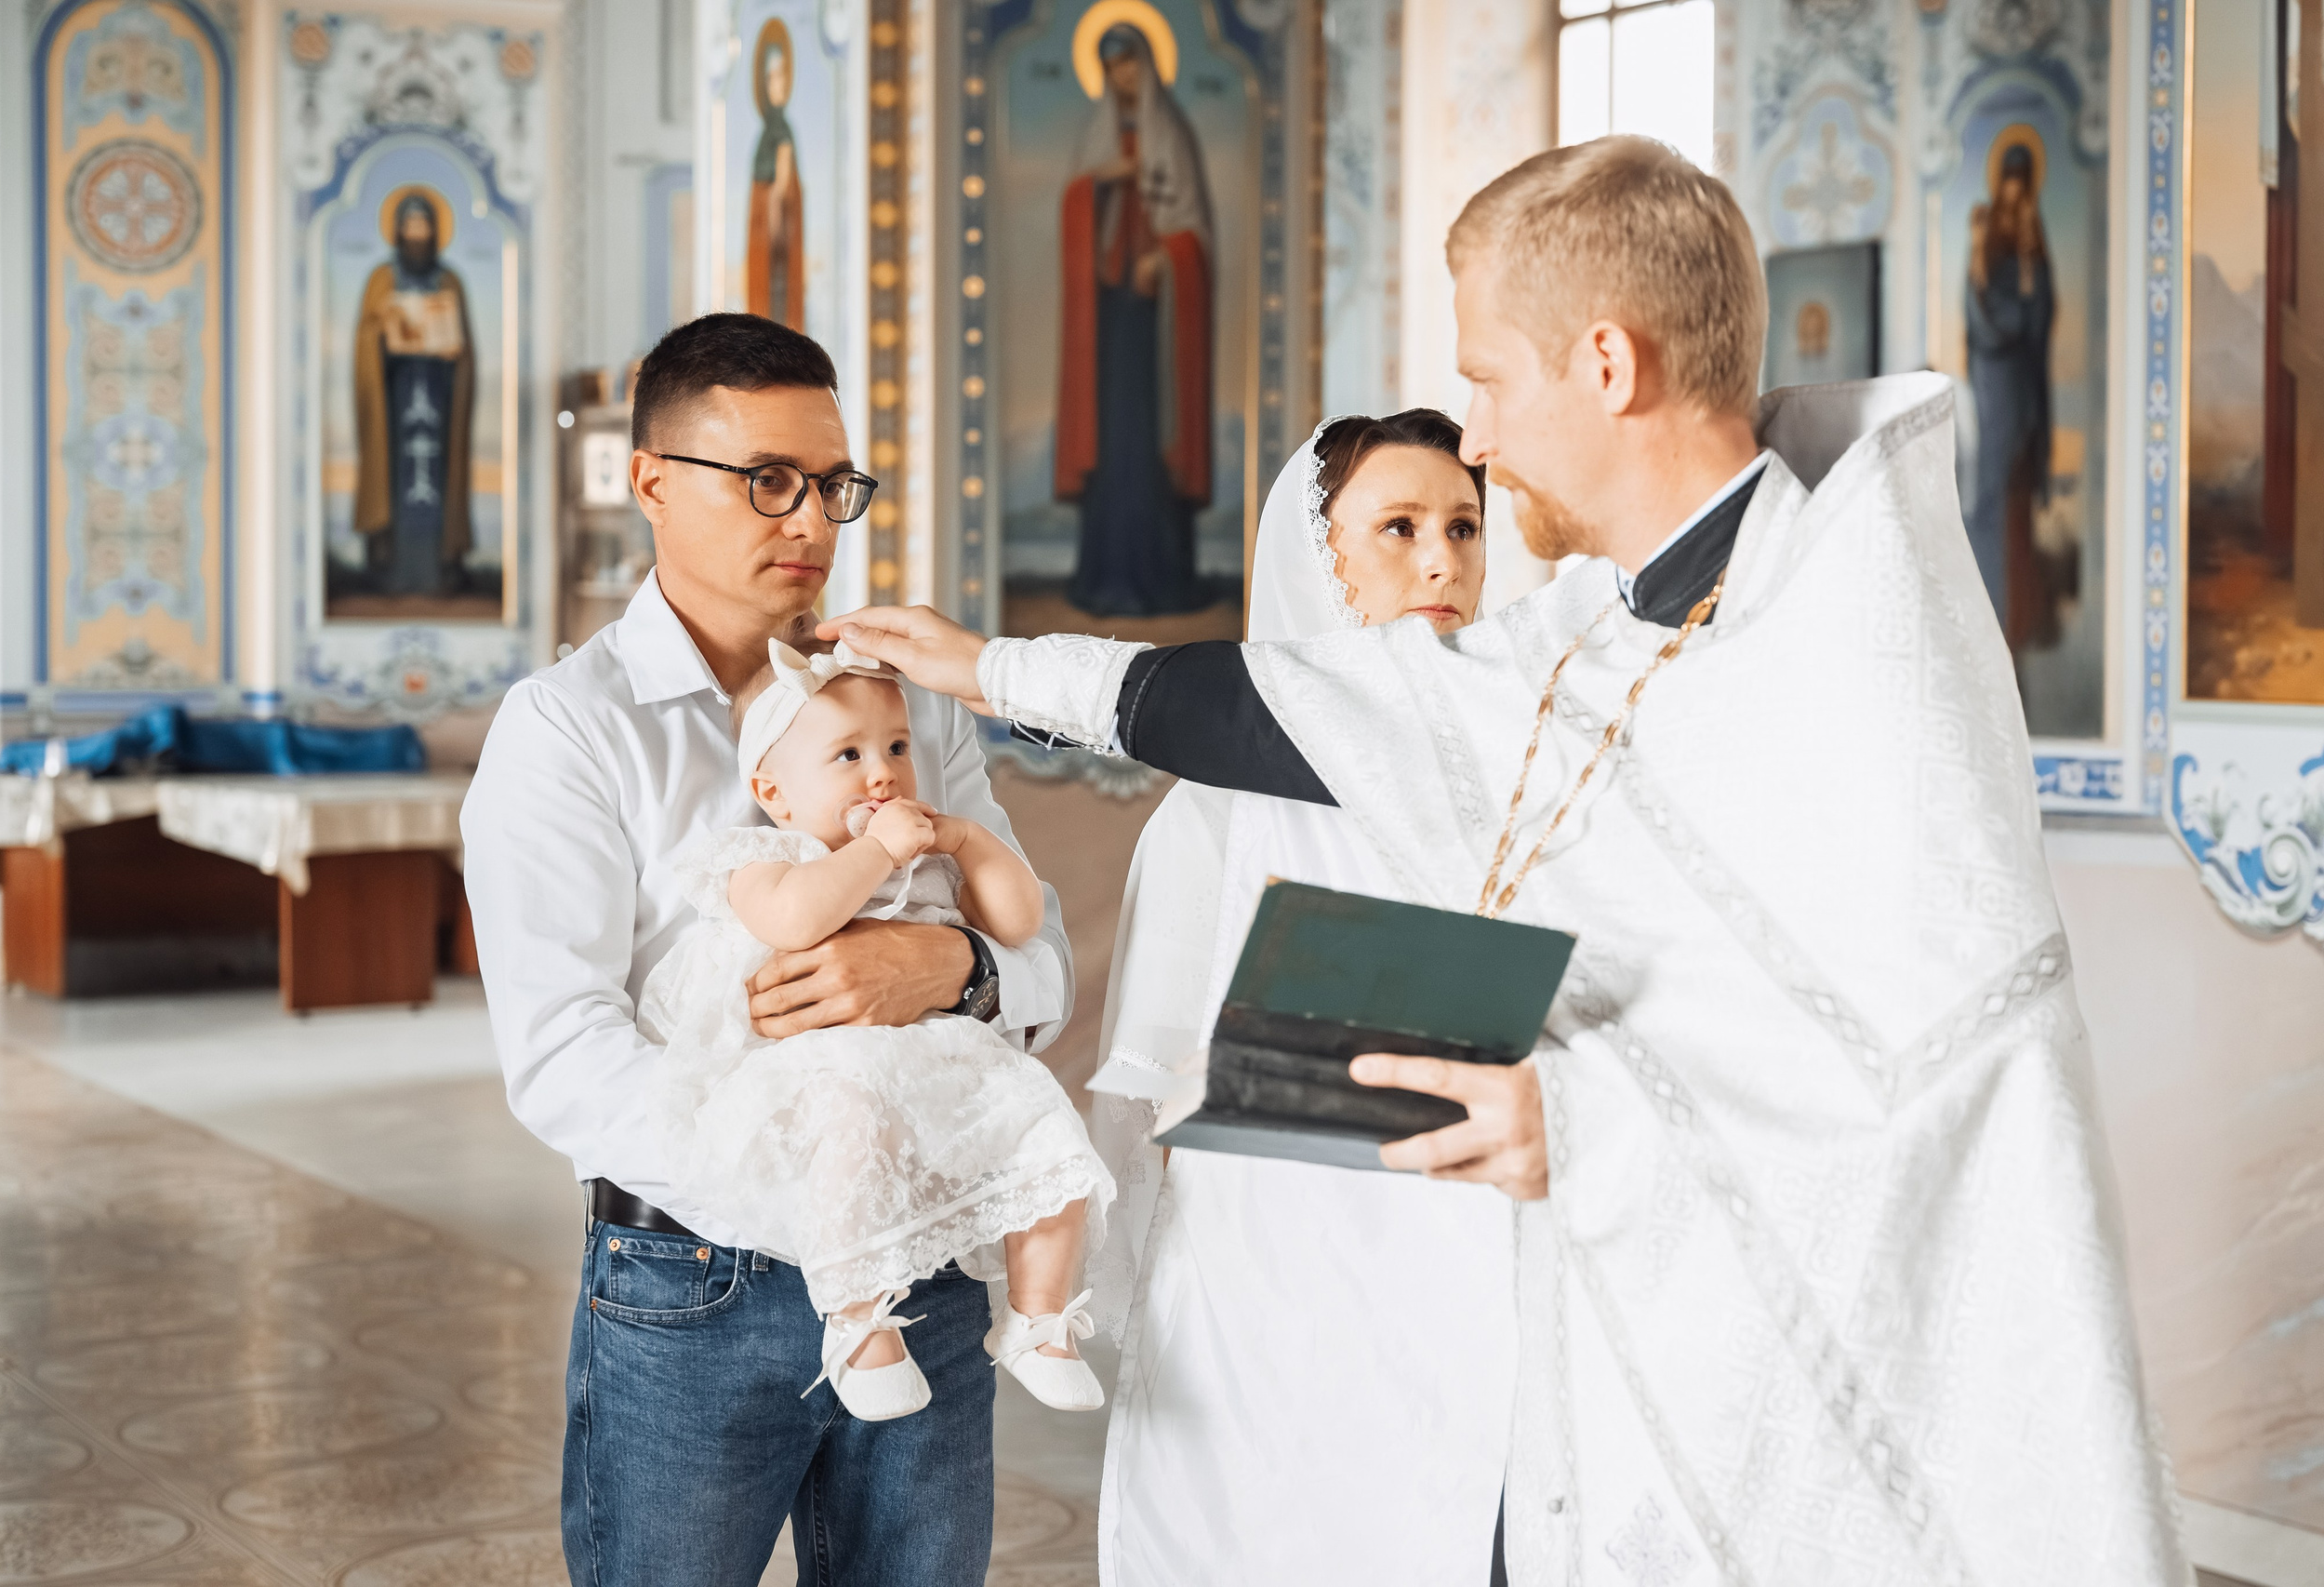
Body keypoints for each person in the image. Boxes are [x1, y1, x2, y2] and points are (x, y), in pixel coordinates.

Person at [830, 137, 2189, 1584]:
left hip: (1819, 1396)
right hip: (1596, 1338)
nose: (1474, 432)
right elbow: (1333, 706)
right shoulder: (1620, 617)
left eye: (1489, 377)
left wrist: (1597, 1127)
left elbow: (1954, 1058)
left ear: (1605, 363)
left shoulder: (1849, 629)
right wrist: (997, 668)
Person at [460, 312, 1072, 1587]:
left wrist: (954, 973)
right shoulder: (570, 728)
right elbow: (564, 1054)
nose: (812, 522)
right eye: (768, 482)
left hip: (924, 1259)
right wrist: (802, 1195)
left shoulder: (894, 705)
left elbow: (1043, 956)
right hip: (696, 1278)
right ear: (649, 481)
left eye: (833, 484)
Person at [1085, 408, 1521, 1585]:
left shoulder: (1520, 785)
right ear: (1314, 558)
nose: (1442, 560)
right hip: (1276, 1260)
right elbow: (1154, 1100)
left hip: (1474, 1245)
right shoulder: (1213, 814)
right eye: (1397, 528)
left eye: (1463, 527)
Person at [642, 638, 1111, 1423]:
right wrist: (874, 851)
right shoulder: (768, 857)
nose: (883, 772)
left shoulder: (927, 855)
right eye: (848, 755)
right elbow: (798, 920)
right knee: (853, 1139)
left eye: (896, 747)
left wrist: (968, 843)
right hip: (821, 1067)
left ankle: (1037, 1318)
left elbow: (1021, 924)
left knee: (1041, 1119)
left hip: (940, 1055)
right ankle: (859, 1327)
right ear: (775, 792)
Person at [1055, 21, 1214, 617]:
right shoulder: (1099, 137)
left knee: (1150, 442)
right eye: (1112, 65)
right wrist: (1100, 182)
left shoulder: (1169, 134)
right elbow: (1076, 209)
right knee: (1113, 438)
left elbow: (1193, 229)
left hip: (1158, 319)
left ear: (1147, 66)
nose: (1123, 76)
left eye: (1130, 63)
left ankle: (1160, 579)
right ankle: (1107, 578)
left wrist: (1165, 258)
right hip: (1109, 312)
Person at [1965, 135, 2066, 652]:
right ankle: (1995, 618)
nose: (2013, 194)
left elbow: (2042, 311)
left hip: (2025, 389)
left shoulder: (2032, 241)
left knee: (2020, 498)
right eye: (2008, 182)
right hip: (1995, 387)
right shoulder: (1985, 245)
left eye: (2021, 184)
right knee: (1994, 497)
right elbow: (1984, 320)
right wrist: (2014, 312)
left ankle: (2023, 618)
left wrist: (2031, 289)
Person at [352, 189, 474, 597]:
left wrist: (452, 350)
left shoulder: (449, 279)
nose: (417, 233)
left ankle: (438, 573)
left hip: (438, 393)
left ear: (435, 231)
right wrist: (386, 330)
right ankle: (392, 572)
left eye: (424, 225)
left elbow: (466, 346)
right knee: (396, 481)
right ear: (398, 230)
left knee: (435, 480)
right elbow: (365, 338)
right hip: (396, 397)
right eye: (410, 224)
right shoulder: (382, 279)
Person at [748, 24, 804, 331]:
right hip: (762, 239)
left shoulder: (784, 134)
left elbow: (786, 194)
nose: (777, 84)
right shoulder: (767, 134)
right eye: (771, 77)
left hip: (780, 241)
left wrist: (778, 193)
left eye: (782, 76)